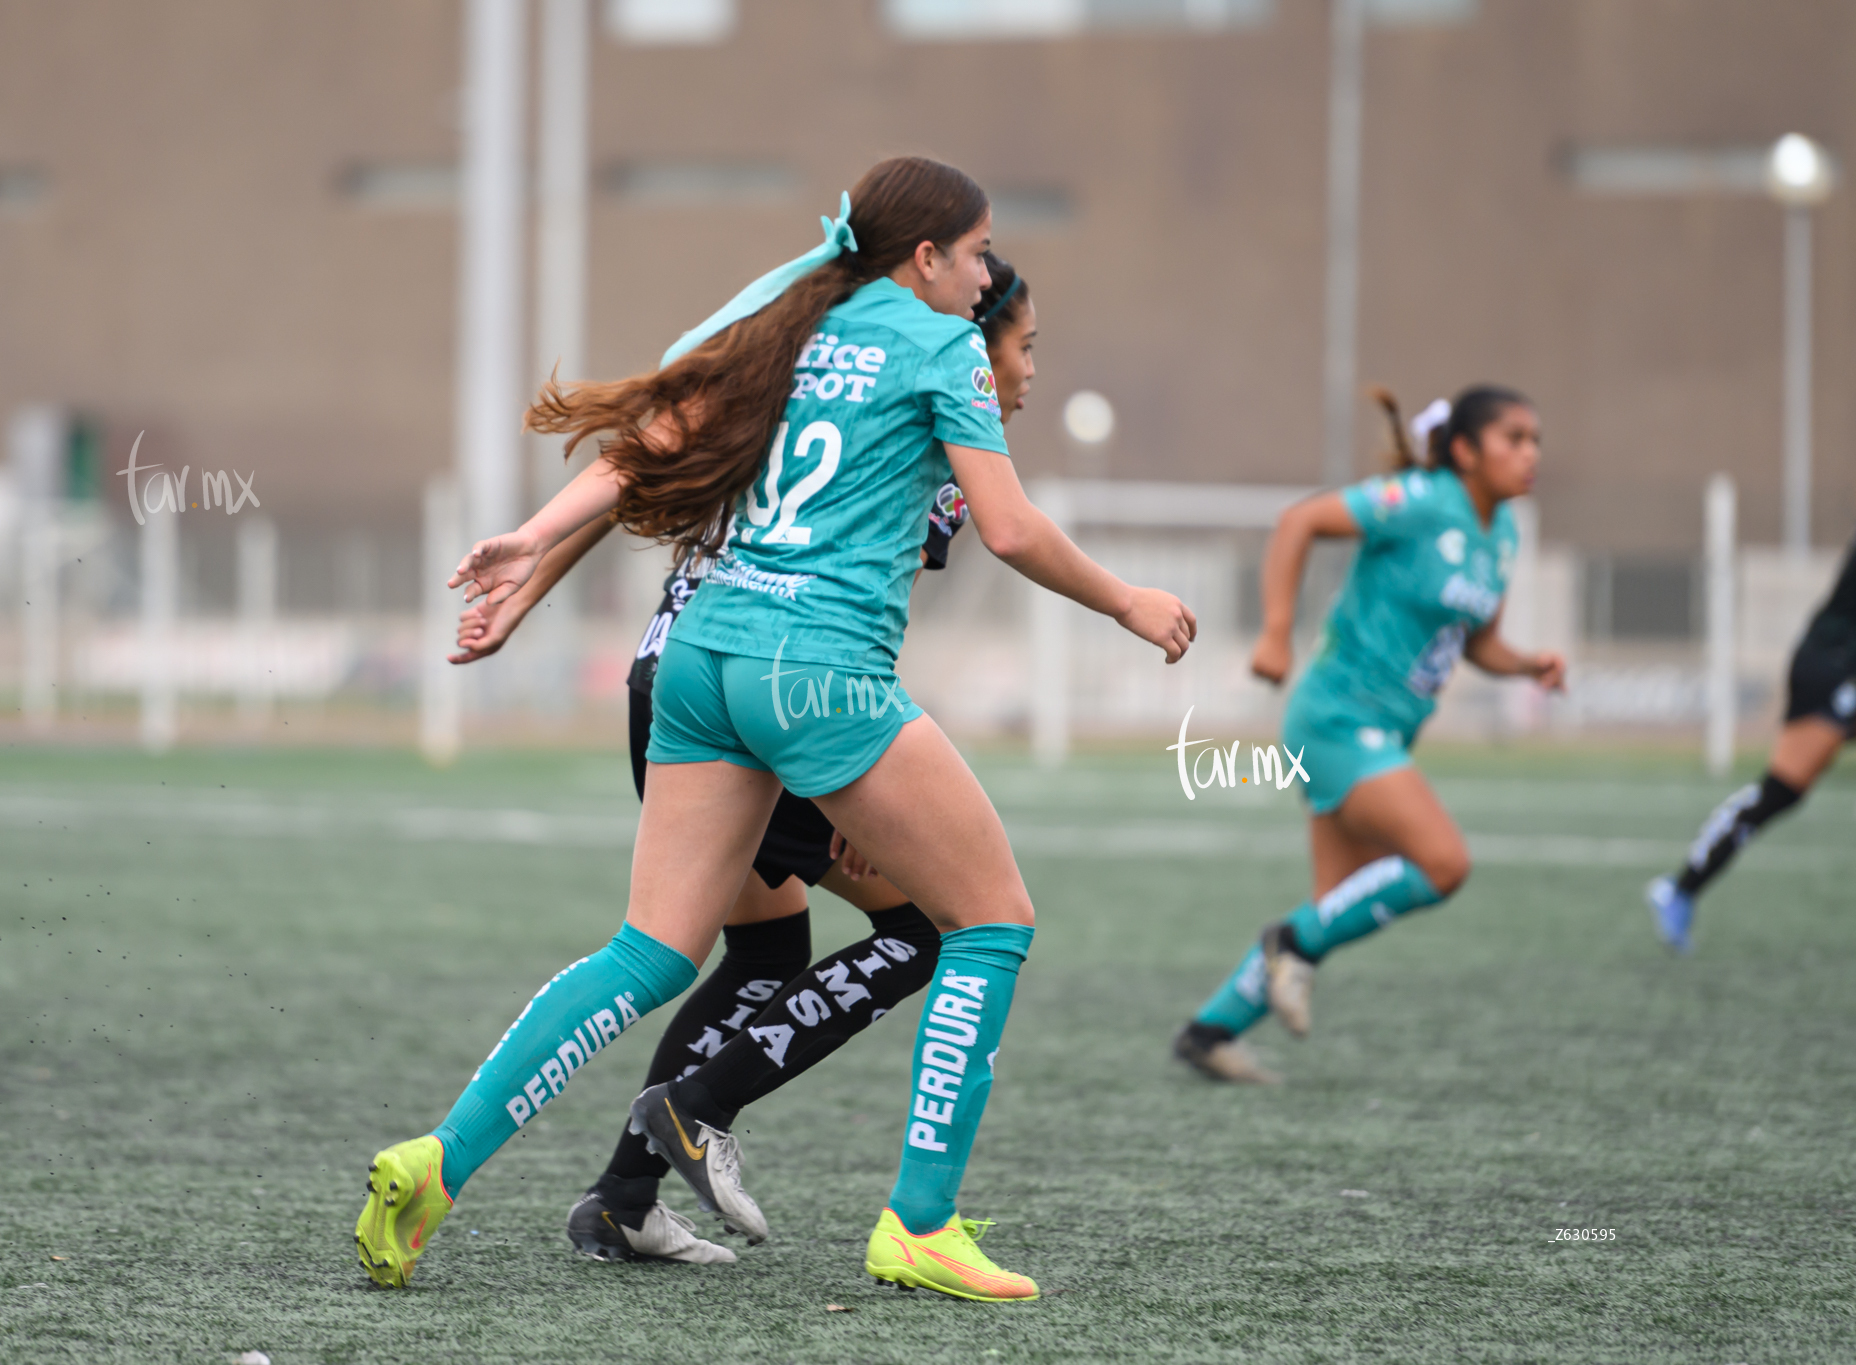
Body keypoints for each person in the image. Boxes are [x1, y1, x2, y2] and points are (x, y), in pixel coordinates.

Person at [353, 157, 1188, 1302]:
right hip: (816, 677)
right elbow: (1008, 529)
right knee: (987, 922)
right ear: (927, 258)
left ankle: (434, 1166)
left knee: (647, 954)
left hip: (698, 661)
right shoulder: (940, 345)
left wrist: (528, 545)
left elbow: (651, 442)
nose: (991, 276)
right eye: (981, 251)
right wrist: (1129, 601)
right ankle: (920, 1225)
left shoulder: (793, 324)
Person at [449, 254, 1040, 1266]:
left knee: (761, 952)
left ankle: (623, 1198)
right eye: (1025, 347)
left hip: (683, 675)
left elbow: (646, 479)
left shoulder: (810, 371)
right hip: (766, 694)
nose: (1030, 373)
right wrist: (846, 768)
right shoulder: (909, 409)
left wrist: (528, 588)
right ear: (969, 340)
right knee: (924, 929)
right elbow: (835, 603)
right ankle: (699, 1107)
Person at [1171, 386, 1566, 1084]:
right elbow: (1298, 521)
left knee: (1339, 904)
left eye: (1536, 438)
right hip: (1336, 719)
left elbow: (1478, 642)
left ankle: (1210, 1031)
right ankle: (1286, 942)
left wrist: (1530, 663)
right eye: (1514, 438)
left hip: (1383, 732)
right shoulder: (1420, 499)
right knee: (1443, 863)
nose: (1531, 453)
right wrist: (1273, 633)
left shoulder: (1501, 533)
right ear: (1467, 450)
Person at [1645, 533, 1856, 951]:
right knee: (1781, 790)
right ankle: (1680, 888)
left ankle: (1681, 889)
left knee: (1781, 794)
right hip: (1835, 662)